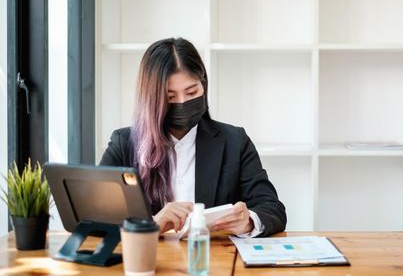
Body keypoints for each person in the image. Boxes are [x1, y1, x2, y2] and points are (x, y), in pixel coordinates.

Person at [100, 37, 286, 237]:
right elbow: (95, 216)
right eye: (170, 97)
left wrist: (248, 221)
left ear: (203, 86)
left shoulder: (234, 141)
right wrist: (151, 224)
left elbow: (272, 208)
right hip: (147, 261)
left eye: (191, 92)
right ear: (151, 99)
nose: (182, 103)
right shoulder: (124, 144)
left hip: (212, 261)